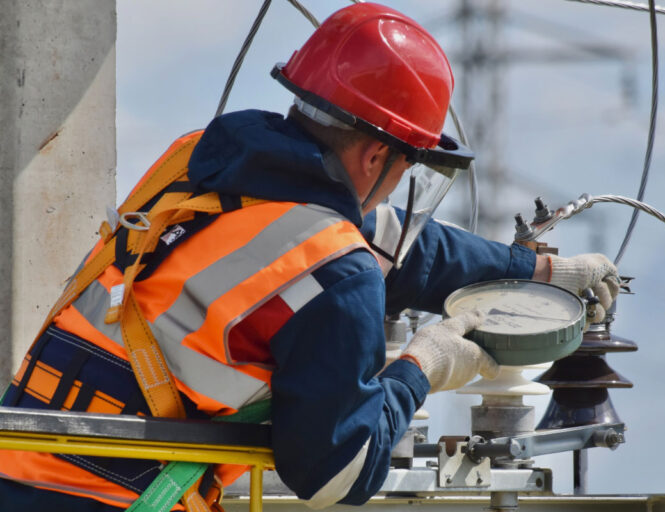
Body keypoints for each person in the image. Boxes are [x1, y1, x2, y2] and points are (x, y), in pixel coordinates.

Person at [0, 3, 619, 511]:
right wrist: (422, 368)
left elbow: (406, 247)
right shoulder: (336, 267)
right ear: (377, 159)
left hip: (19, 458)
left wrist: (536, 272)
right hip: (105, 496)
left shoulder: (201, 164)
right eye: (408, 166)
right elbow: (337, 475)